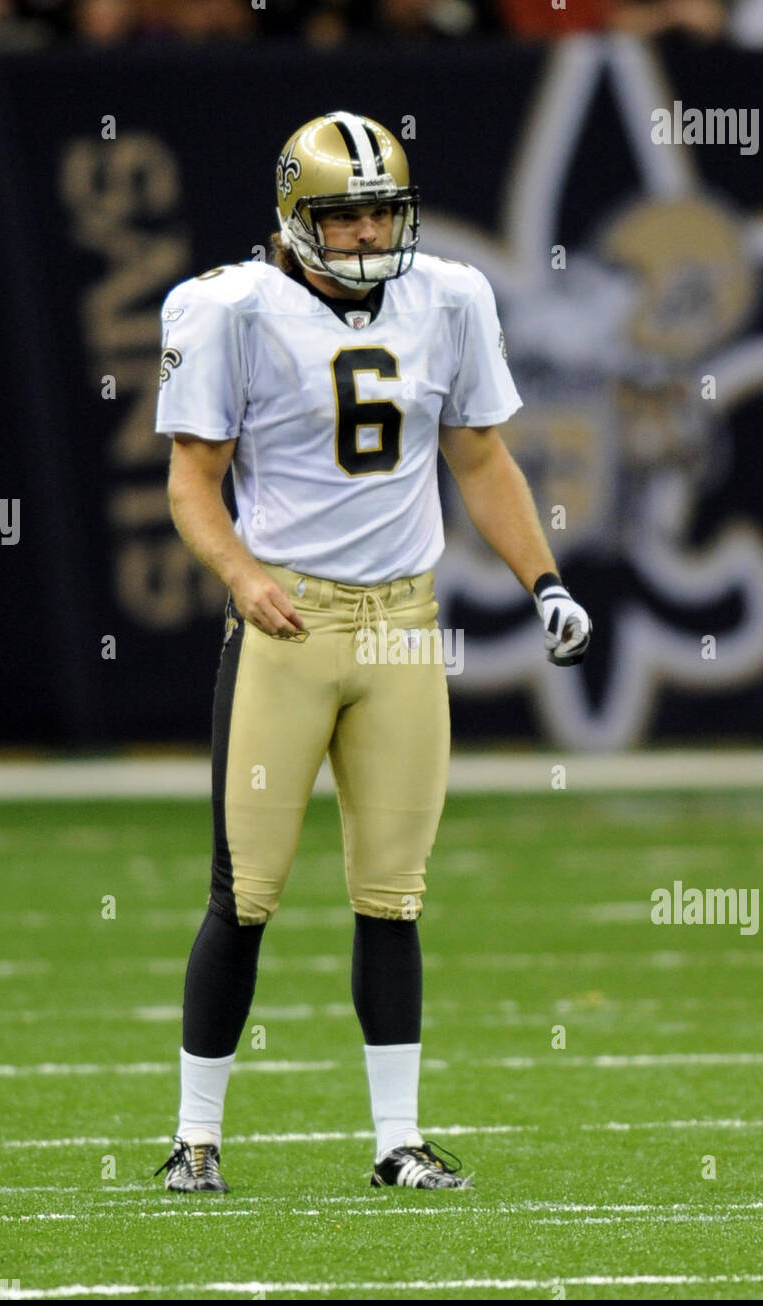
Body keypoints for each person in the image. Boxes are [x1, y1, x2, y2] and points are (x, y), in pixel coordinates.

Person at [152, 111, 591, 1193]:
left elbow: (480, 457)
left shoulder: (446, 297)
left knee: (392, 895)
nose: (363, 236)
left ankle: (396, 1140)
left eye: (378, 213)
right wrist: (241, 575)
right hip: (287, 625)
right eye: (341, 217)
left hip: (401, 625)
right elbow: (190, 485)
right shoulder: (230, 311)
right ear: (294, 220)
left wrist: (545, 580)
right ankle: (194, 1136)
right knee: (244, 893)